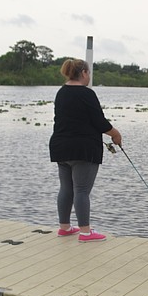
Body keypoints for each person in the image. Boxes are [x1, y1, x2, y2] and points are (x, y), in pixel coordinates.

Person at [49, 58, 122, 242]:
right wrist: (115, 134)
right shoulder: (87, 94)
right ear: (83, 73)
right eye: (88, 73)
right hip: (83, 150)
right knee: (81, 190)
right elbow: (99, 122)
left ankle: (65, 228)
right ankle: (85, 232)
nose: (89, 76)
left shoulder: (61, 93)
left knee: (66, 188)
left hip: (60, 147)